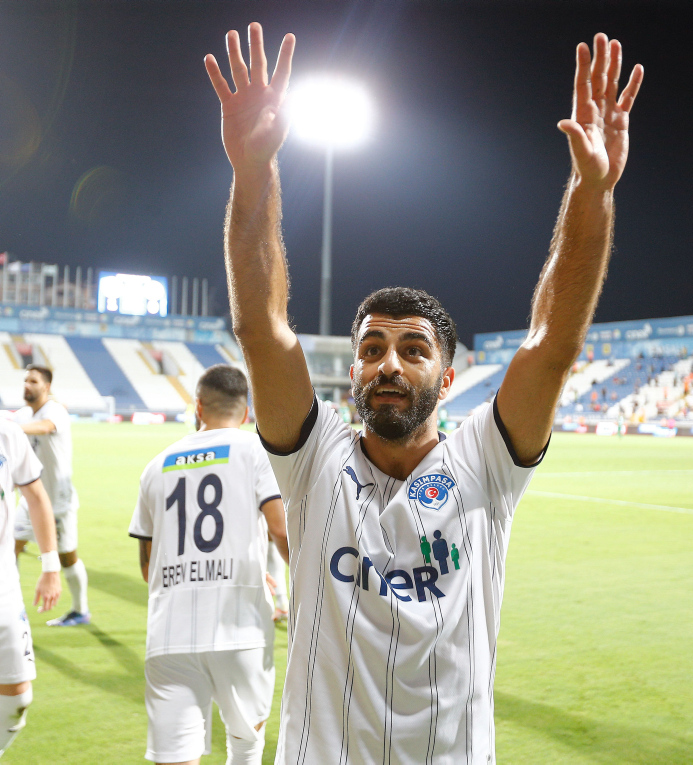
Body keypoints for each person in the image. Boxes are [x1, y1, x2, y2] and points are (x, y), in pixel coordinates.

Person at [205, 23, 642, 762]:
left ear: (446, 376)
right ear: (353, 372)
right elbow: (263, 330)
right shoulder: (314, 462)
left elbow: (552, 343)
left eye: (413, 349)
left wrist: (591, 191)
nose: (387, 364)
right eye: (372, 348)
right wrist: (254, 175)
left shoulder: (485, 463)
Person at [129, 365, 288, 765]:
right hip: (240, 626)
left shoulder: (155, 466)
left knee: (175, 757)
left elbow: (149, 567)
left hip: (168, 633)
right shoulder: (255, 451)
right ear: (247, 411)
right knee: (246, 745)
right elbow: (281, 531)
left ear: (198, 407)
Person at [0, 419, 61, 757]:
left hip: (3, 584)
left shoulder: (7, 431)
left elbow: (36, 498)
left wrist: (50, 566)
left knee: (17, 699)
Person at [13, 366, 89, 627]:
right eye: (25, 380)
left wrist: (13, 428)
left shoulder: (54, 410)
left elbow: (45, 428)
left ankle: (80, 610)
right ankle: (10, 605)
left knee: (67, 557)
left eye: (33, 381)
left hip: (58, 501)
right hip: (30, 499)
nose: (27, 385)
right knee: (10, 546)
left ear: (45, 386)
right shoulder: (22, 414)